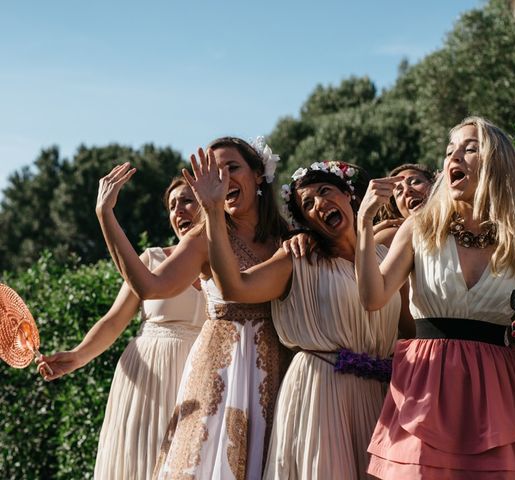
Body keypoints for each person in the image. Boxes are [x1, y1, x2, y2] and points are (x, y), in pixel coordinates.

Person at [355, 116, 515, 479]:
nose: (453, 158)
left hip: (496, 391)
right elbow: (372, 298)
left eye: (469, 148)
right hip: (427, 385)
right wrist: (363, 223)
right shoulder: (420, 228)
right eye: (449, 151)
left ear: (496, 162)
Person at [185, 153, 401, 479]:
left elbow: (415, 332)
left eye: (326, 192)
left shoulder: (386, 257)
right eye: (307, 203)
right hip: (321, 394)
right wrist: (215, 213)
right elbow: (234, 287)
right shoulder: (299, 258)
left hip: (378, 397)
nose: (318, 204)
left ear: (348, 195)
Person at [93, 137, 289, 480]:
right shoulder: (203, 238)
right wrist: (106, 215)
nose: (224, 178)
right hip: (220, 370)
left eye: (233, 167)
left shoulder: (288, 238)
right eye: (216, 172)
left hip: (276, 368)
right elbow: (149, 286)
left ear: (258, 175)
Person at [38, 177, 206, 480]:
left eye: (187, 200)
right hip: (150, 378)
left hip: (202, 378)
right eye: (172, 206)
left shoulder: (230, 266)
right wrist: (77, 357)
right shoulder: (151, 259)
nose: (178, 210)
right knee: (141, 464)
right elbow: (114, 319)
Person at [373, 163, 435, 246]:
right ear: (397, 209)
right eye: (399, 192)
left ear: (434, 184)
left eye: (415, 182)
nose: (407, 191)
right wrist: (365, 220)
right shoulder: (390, 238)